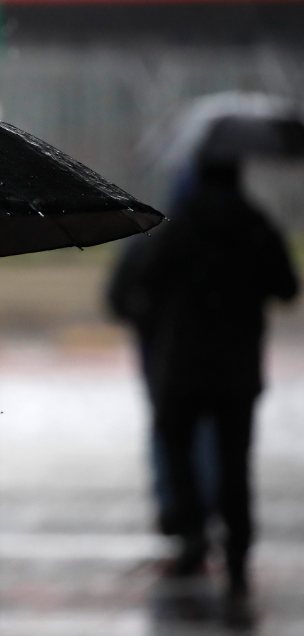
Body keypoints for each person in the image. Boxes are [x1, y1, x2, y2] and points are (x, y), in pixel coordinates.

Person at [108, 154, 298, 602]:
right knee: (236, 463)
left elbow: (143, 285)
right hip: (238, 370)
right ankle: (237, 555)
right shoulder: (256, 226)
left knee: (177, 454)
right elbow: (287, 287)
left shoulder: (179, 226)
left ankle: (191, 534)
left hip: (182, 368)